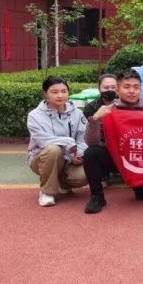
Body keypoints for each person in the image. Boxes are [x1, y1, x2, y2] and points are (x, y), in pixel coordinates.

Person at [83, 69, 143, 213]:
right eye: (127, 87)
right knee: (91, 153)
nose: (132, 91)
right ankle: (97, 196)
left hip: (139, 158)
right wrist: (94, 119)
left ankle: (140, 185)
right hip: (114, 157)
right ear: (118, 90)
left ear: (141, 89)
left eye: (136, 87)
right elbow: (91, 142)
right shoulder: (107, 111)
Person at [27, 76, 88, 207]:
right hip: (41, 158)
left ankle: (60, 184)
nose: (60, 95)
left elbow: (83, 138)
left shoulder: (77, 114)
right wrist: (68, 142)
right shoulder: (35, 116)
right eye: (54, 92)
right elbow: (42, 140)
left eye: (64, 91)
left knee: (86, 174)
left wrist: (78, 154)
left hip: (69, 160)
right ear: (45, 94)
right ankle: (47, 192)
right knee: (54, 149)